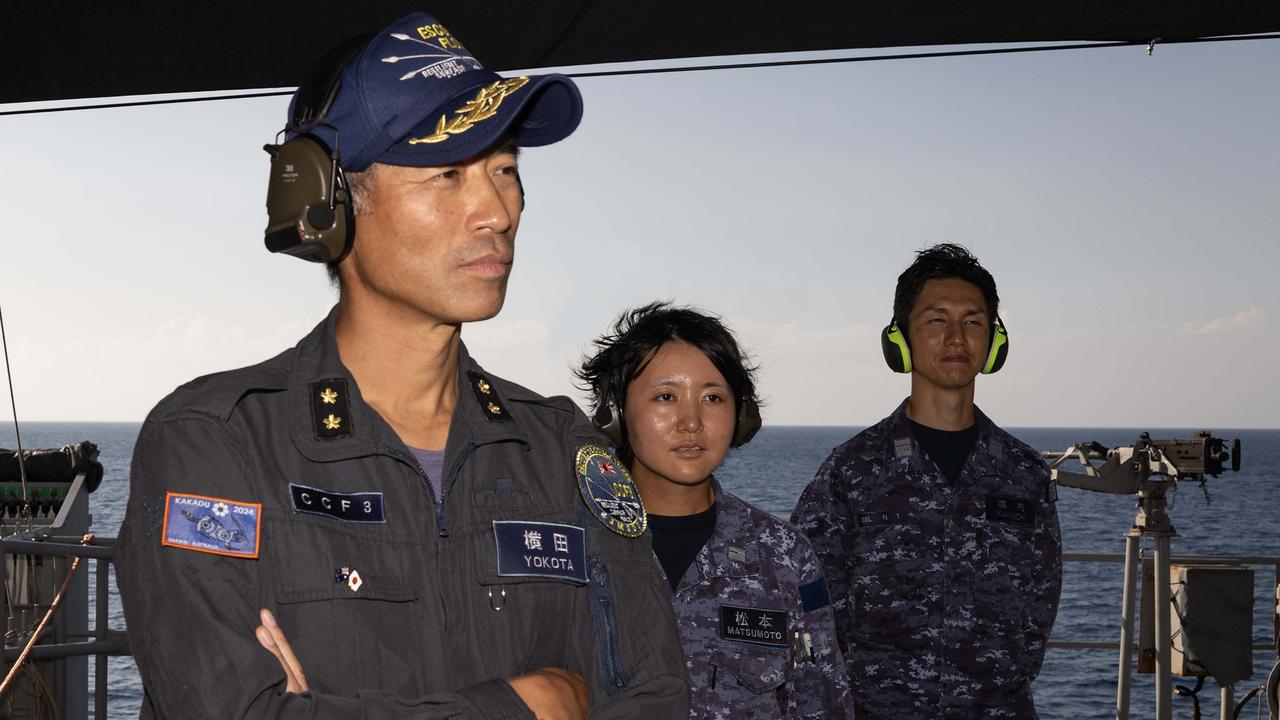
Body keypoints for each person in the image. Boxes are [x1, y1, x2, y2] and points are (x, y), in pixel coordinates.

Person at [114, 13, 689, 719]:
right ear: (325, 202)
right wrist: (523, 707)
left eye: (505, 168)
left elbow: (652, 696)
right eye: (447, 173)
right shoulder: (215, 442)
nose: (496, 211)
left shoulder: (563, 448)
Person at [791, 243, 1062, 718]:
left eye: (973, 321)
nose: (957, 338)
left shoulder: (1026, 475)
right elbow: (808, 609)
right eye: (937, 320)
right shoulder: (852, 472)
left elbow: (1037, 615)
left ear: (995, 342)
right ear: (900, 340)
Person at [576, 302, 854, 720]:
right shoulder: (569, 545)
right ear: (614, 413)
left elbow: (820, 705)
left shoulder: (783, 557)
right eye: (665, 396)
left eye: (713, 398)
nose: (691, 422)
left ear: (740, 416)